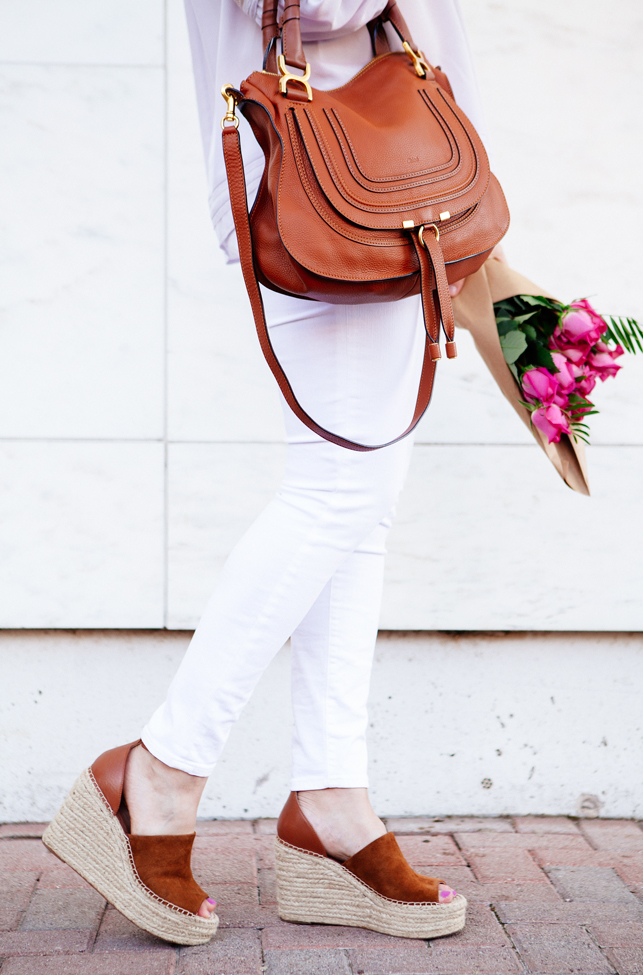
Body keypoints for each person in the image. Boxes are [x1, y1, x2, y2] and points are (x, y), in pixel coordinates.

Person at [44, 0, 501, 944]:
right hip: (316, 186)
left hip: (399, 177)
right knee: (337, 493)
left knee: (358, 504)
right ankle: (160, 770)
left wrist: (464, 216)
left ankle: (331, 800)